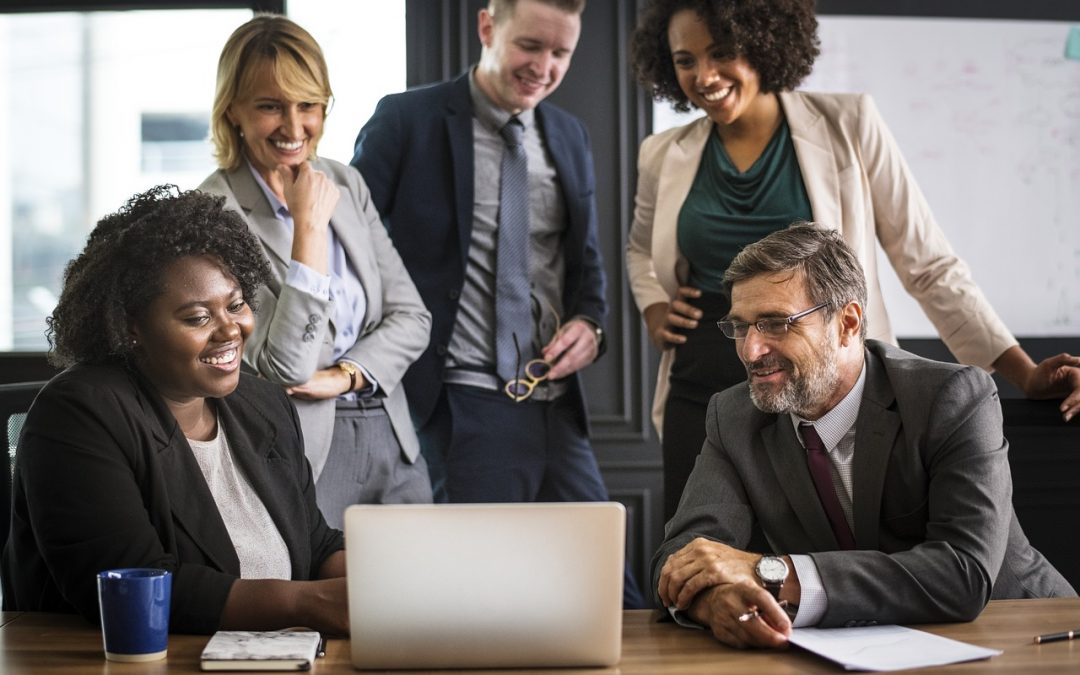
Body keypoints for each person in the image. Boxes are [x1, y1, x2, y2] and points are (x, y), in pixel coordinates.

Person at [626, 0, 1080, 522]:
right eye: (685, 60)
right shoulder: (662, 153)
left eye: (722, 53)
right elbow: (640, 249)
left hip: (820, 373)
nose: (704, 76)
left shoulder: (848, 124)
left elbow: (927, 262)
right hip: (704, 370)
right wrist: (654, 307)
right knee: (699, 544)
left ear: (766, 41)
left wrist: (1022, 372)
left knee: (824, 547)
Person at [653, 223, 1075, 648]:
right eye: (741, 327)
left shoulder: (951, 397)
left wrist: (772, 573)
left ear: (847, 323)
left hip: (1024, 635)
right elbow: (683, 555)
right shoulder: (734, 416)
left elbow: (962, 572)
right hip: (852, 650)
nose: (751, 351)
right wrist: (716, 600)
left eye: (776, 324)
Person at [0, 186, 348, 635]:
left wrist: (384, 578)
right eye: (197, 318)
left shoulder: (263, 404)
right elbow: (132, 582)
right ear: (132, 328)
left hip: (269, 655)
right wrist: (310, 604)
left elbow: (314, 545)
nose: (230, 330)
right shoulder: (79, 415)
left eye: (236, 304)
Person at [199, 15, 433, 529]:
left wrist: (344, 375)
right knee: (324, 605)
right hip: (302, 446)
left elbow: (412, 317)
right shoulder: (213, 211)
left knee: (420, 601)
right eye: (270, 106)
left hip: (390, 433)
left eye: (309, 105)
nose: (294, 125)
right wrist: (308, 229)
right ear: (233, 110)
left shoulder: (345, 182)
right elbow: (285, 367)